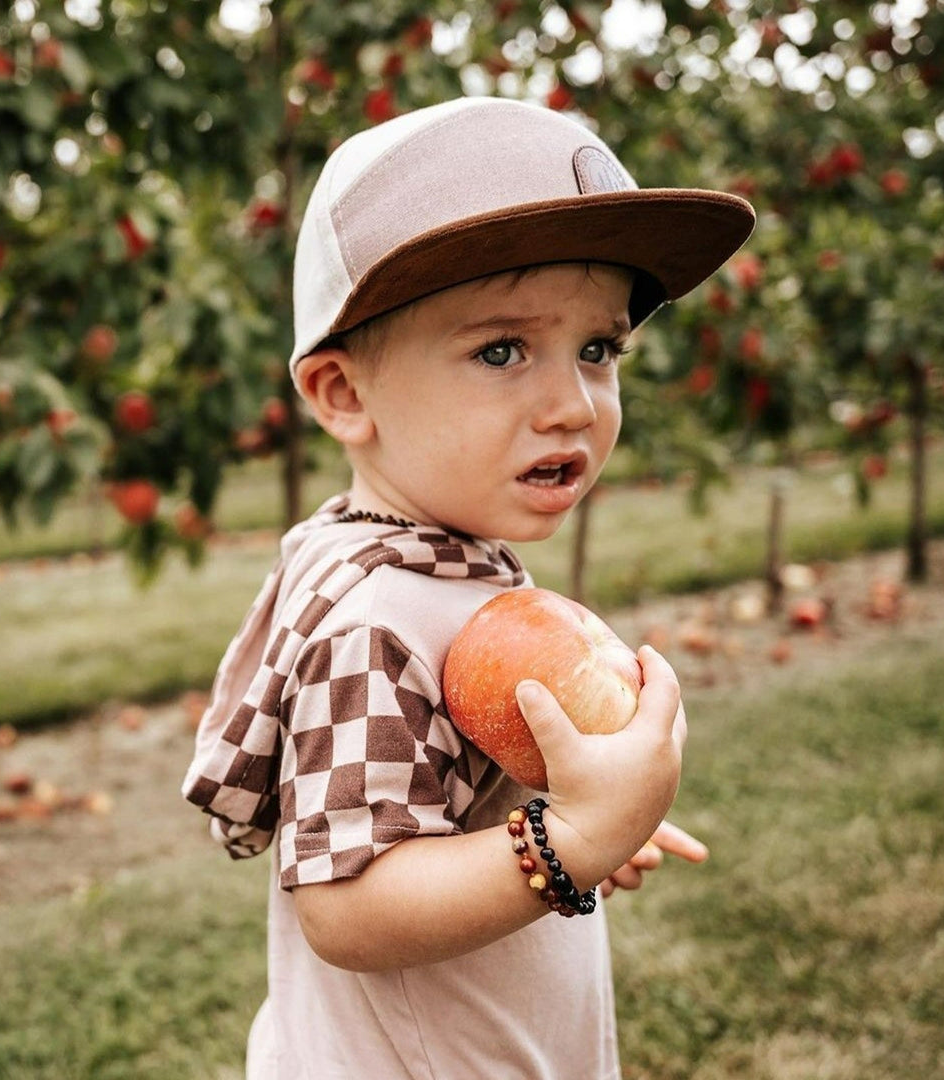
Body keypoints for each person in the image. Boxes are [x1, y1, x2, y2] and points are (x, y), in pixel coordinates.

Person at [183, 95, 754, 1079]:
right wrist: (567, 840)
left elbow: (451, 811)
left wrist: (575, 817)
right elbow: (348, 905)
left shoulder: (444, 562)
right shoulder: (374, 623)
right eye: (501, 350)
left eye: (598, 349)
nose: (573, 403)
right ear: (344, 395)